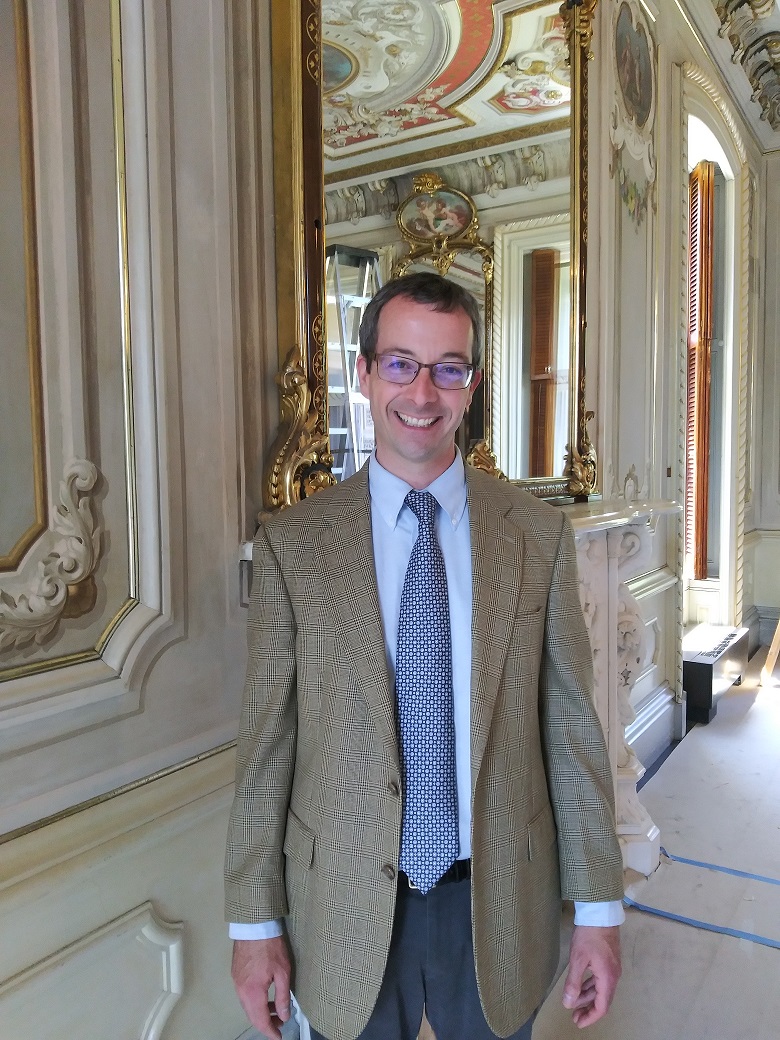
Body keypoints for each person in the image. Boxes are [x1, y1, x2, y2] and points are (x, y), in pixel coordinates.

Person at [225, 272, 625, 1040]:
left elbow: (572, 733)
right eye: (401, 363)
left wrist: (600, 912)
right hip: (341, 902)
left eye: (448, 368)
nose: (422, 392)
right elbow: (266, 748)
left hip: (499, 898)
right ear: (366, 373)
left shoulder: (537, 536)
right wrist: (253, 924)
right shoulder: (293, 546)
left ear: (470, 386)